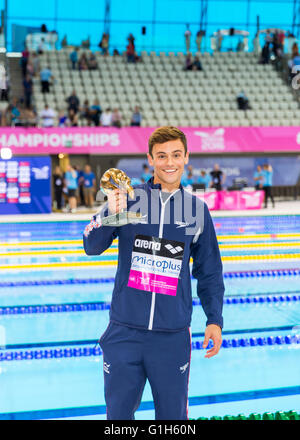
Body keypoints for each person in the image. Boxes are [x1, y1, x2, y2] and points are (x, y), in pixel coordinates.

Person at [83, 126, 224, 420]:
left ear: (186, 157)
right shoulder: (129, 199)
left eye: (175, 155)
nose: (169, 162)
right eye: (161, 156)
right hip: (125, 331)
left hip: (171, 337)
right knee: (118, 417)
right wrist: (111, 212)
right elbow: (92, 245)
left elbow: (209, 269)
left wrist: (214, 319)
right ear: (151, 159)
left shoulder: (196, 210)